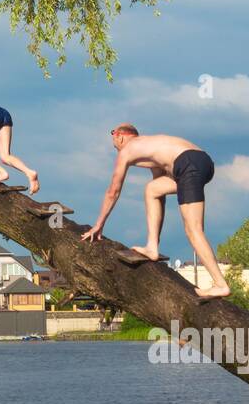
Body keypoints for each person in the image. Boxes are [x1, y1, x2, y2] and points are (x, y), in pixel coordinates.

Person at [80, 124, 229, 298]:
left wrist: (99, 224)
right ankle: (152, 247)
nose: (117, 150)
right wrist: (155, 240)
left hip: (188, 164)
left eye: (115, 145)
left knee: (193, 230)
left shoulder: (128, 149)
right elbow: (160, 197)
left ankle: (220, 285)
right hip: (201, 163)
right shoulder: (151, 148)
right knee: (152, 189)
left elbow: (113, 191)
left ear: (120, 136)